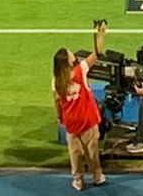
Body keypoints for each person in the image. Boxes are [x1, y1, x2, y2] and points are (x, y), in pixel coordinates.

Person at [53, 23, 106, 191]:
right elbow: (97, 53)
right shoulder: (80, 70)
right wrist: (100, 34)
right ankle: (97, 177)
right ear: (67, 61)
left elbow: (56, 102)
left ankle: (78, 180)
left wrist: (60, 117)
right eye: (70, 54)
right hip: (87, 119)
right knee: (92, 153)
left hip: (71, 123)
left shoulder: (56, 80)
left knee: (75, 155)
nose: (72, 54)